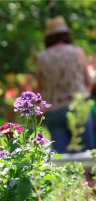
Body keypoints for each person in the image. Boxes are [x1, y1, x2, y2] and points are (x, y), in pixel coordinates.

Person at [36, 15, 94, 153]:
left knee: (62, 162)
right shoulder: (77, 51)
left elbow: (39, 89)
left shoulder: (41, 57)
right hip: (78, 109)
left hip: (53, 112)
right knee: (87, 158)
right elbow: (88, 82)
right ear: (66, 34)